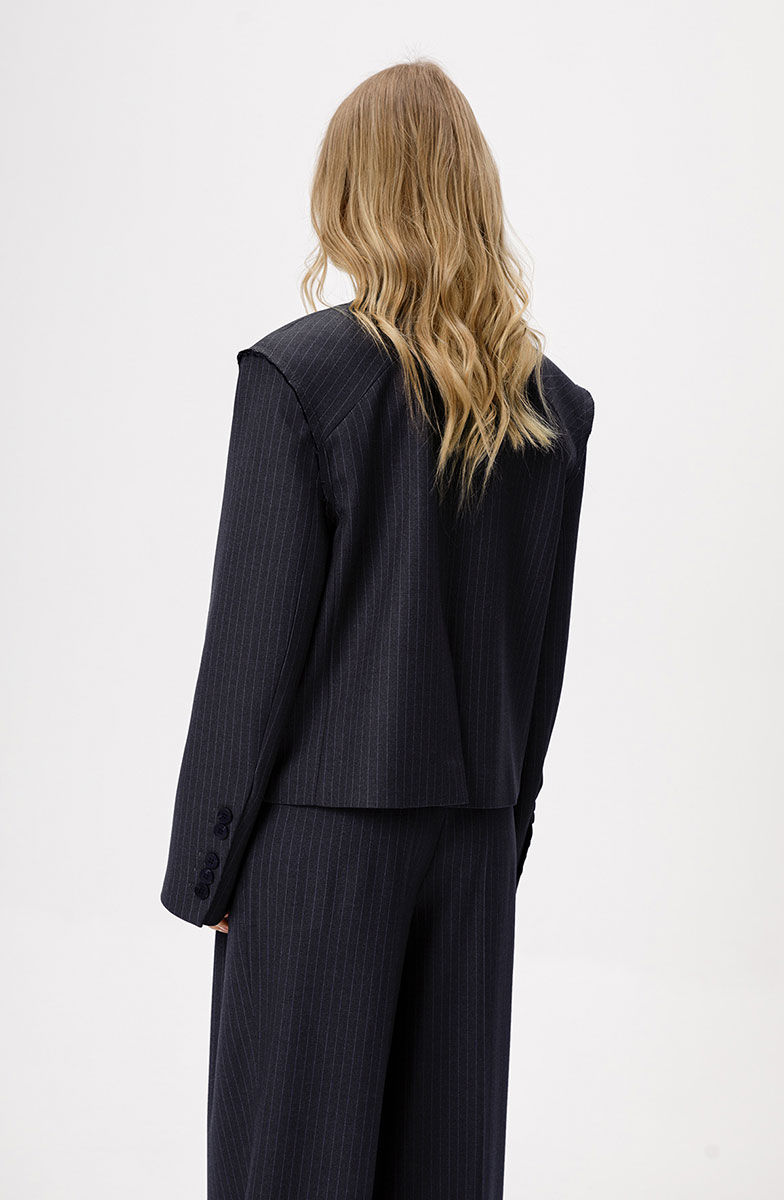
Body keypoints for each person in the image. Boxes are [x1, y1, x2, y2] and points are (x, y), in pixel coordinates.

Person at [160, 56, 595, 1200]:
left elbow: (250, 656)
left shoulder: (298, 379)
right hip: (473, 847)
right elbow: (538, 668)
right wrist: (500, 838)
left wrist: (206, 872)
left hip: (318, 855)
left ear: (347, 192)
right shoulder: (550, 409)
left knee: (288, 1174)